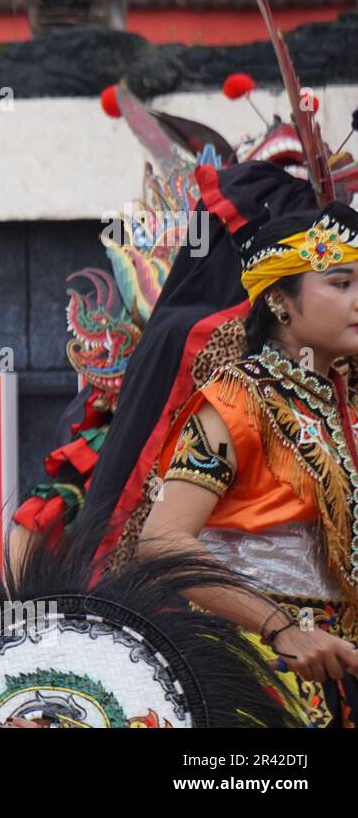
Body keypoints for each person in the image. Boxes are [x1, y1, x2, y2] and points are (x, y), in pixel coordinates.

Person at [142, 162, 358, 728]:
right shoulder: (234, 402)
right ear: (281, 302)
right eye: (341, 283)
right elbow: (162, 543)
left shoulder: (347, 407)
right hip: (261, 676)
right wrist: (281, 627)